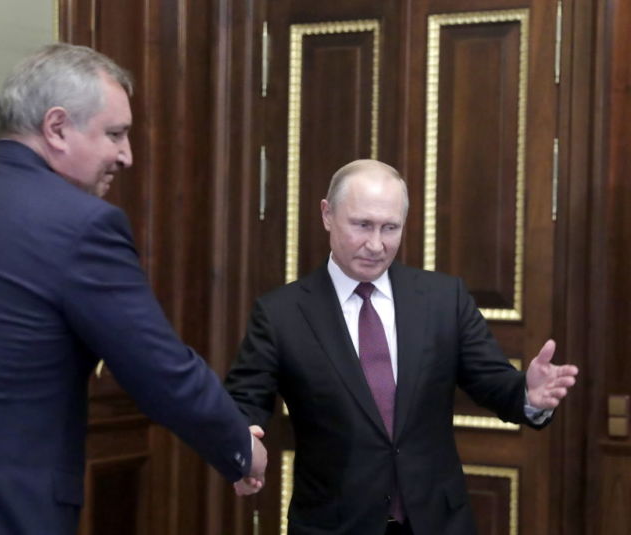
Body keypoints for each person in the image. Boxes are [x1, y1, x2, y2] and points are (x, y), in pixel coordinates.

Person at [0, 43, 266, 535]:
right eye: (115, 134)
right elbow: (159, 368)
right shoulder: (82, 225)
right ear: (56, 127)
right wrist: (240, 446)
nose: (126, 156)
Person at [225, 159, 578, 535]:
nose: (376, 245)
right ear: (327, 214)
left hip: (438, 522)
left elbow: (491, 381)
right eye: (362, 225)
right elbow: (244, 403)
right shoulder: (281, 314)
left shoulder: (444, 298)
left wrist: (528, 394)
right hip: (334, 524)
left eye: (390, 228)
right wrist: (242, 445)